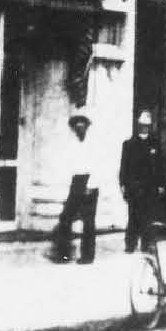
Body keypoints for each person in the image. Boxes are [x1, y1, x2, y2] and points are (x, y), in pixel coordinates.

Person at [49, 111, 99, 265]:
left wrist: (90, 186)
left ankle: (87, 256)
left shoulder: (93, 144)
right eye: (76, 124)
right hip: (76, 183)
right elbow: (68, 167)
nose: (79, 126)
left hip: (90, 182)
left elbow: (99, 166)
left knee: (88, 222)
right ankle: (64, 255)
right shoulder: (71, 145)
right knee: (65, 217)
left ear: (86, 126)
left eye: (82, 123)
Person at [118, 109, 162, 254]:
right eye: (142, 125)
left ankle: (146, 244)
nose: (144, 127)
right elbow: (124, 166)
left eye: (147, 125)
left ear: (150, 127)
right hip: (134, 186)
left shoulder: (154, 144)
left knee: (148, 216)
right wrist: (123, 184)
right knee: (133, 215)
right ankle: (130, 243)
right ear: (138, 125)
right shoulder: (129, 144)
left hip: (150, 186)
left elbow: (159, 166)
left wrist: (160, 184)